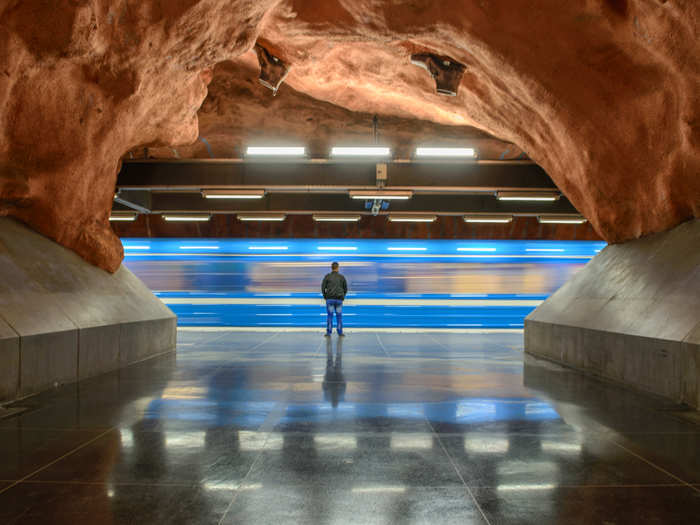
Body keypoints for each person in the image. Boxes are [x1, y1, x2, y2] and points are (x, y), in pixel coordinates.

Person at [321, 261, 347, 337]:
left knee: (330, 316)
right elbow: (345, 288)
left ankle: (329, 332)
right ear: (338, 268)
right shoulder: (342, 277)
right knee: (339, 316)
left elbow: (323, 287)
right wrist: (342, 296)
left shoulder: (327, 276)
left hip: (330, 299)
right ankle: (340, 332)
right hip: (339, 300)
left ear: (331, 268)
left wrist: (325, 296)